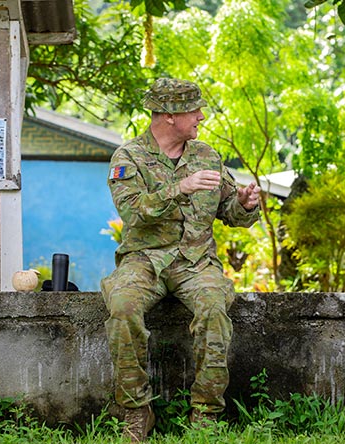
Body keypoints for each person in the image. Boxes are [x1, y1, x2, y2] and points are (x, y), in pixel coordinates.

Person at [101, 78, 262, 442]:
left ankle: (205, 413)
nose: (202, 117)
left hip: (195, 261)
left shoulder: (207, 155)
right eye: (194, 110)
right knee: (123, 306)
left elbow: (229, 210)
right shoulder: (128, 157)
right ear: (170, 116)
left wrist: (246, 204)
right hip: (145, 259)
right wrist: (180, 187)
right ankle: (136, 410)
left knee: (214, 307)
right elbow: (134, 212)